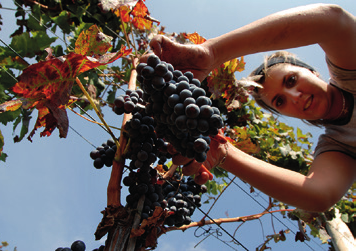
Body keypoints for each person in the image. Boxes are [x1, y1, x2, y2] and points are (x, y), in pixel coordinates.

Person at [147, 4, 356, 212]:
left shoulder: (350, 73)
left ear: (312, 71)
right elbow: (318, 196)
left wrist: (212, 52)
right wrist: (222, 152)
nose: (295, 96)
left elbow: (333, 20)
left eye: (291, 80)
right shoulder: (340, 145)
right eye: (280, 101)